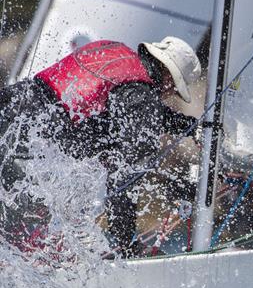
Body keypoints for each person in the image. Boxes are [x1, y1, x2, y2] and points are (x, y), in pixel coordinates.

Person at [0, 36, 201, 257]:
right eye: (174, 89)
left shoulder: (117, 52)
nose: (170, 95)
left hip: (12, 107)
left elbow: (140, 110)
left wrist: (189, 126)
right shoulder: (138, 94)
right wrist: (124, 243)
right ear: (168, 77)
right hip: (24, 144)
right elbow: (125, 173)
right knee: (23, 234)